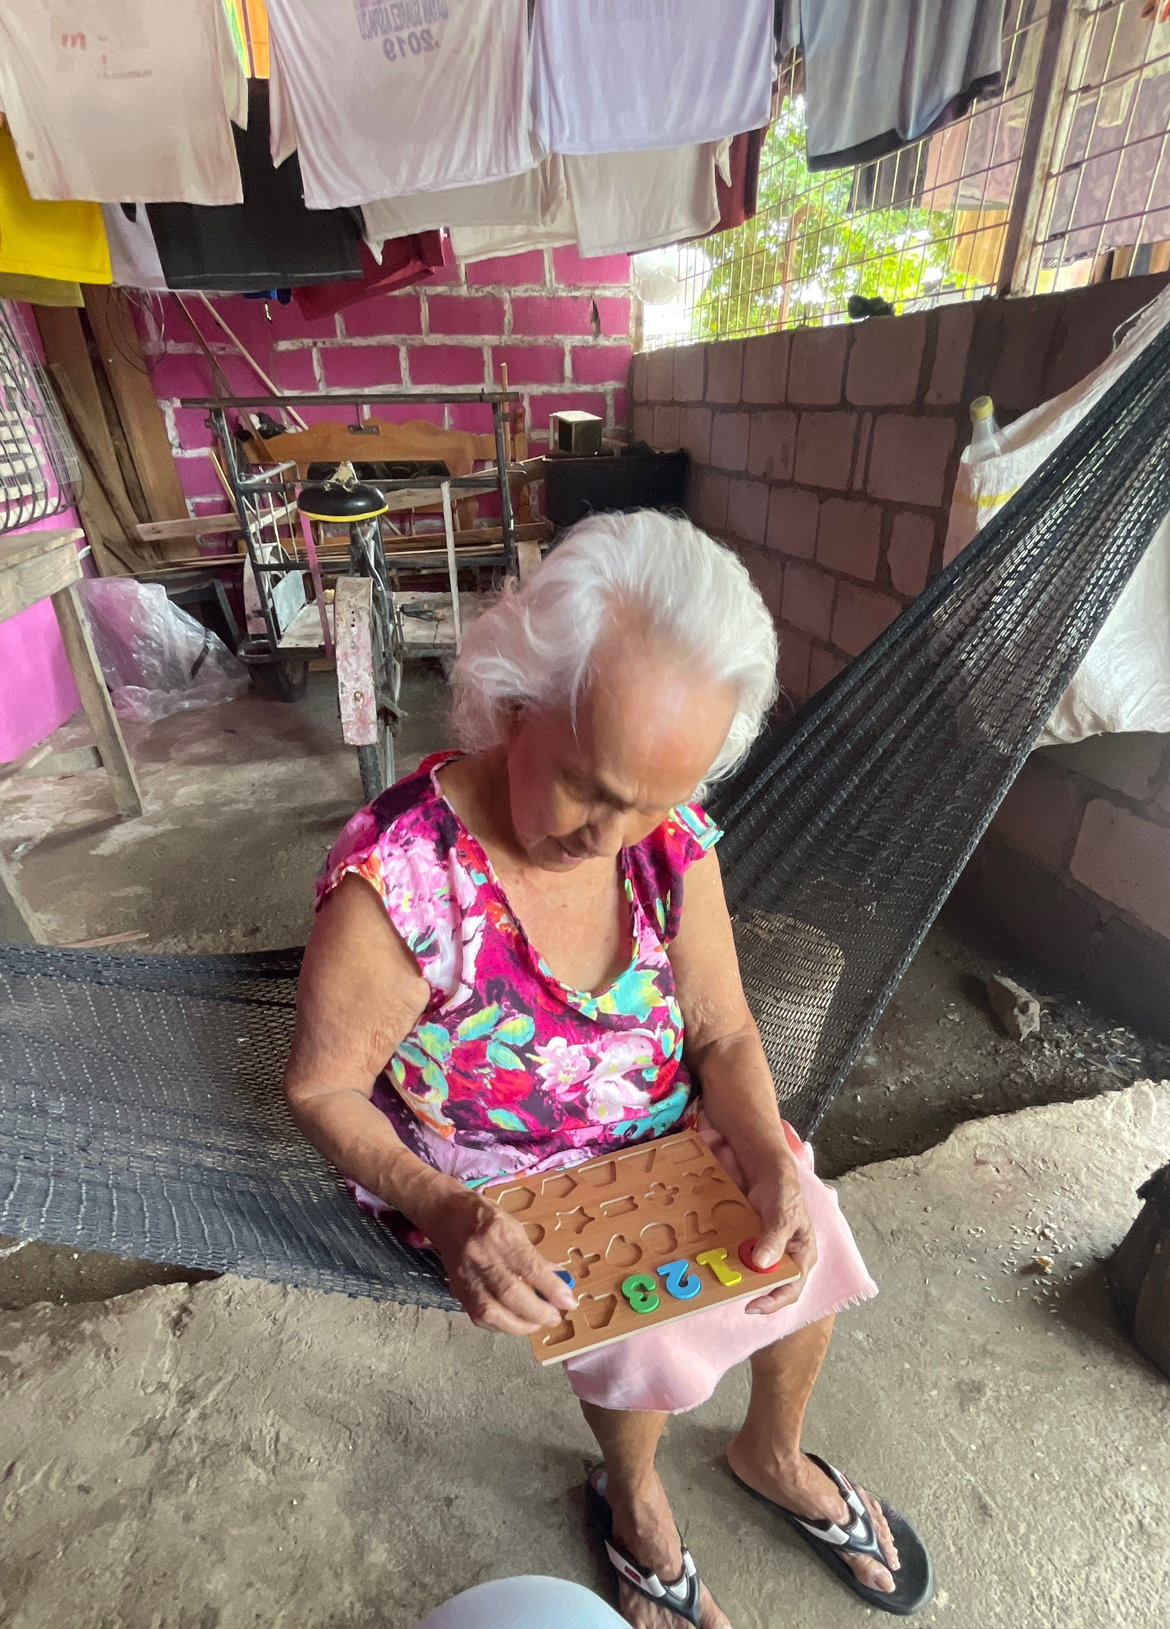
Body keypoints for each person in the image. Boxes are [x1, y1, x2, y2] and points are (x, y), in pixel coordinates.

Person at [284, 512, 933, 1627]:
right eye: (589, 785)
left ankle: (772, 1452)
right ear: (516, 703)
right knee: (650, 1332)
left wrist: (767, 1153)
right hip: (502, 1175)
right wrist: (444, 1209)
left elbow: (722, 1031)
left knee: (806, 1232)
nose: (611, 834)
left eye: (654, 798)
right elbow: (321, 1088)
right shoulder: (401, 881)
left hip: (666, 1126)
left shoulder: (667, 842)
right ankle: (633, 1502)